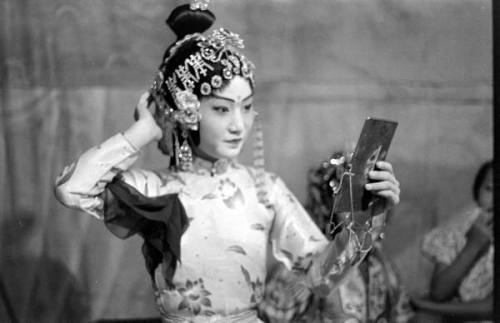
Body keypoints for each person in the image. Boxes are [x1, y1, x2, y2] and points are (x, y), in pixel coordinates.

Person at [54, 1, 401, 322]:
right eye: (221, 109)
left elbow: (322, 277)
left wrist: (369, 216)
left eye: (246, 107)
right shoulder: (153, 187)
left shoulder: (265, 189)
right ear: (187, 112)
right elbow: (73, 189)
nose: (239, 124)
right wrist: (145, 129)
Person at [305, 151, 414, 322]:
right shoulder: (305, 264)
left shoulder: (380, 264)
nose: (364, 210)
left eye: (370, 198)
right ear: (328, 206)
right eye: (353, 200)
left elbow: (401, 316)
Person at [413, 161, 493, 322]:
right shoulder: (458, 230)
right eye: (490, 189)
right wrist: (473, 246)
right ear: (477, 192)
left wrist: (428, 306)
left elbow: (490, 308)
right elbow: (439, 292)